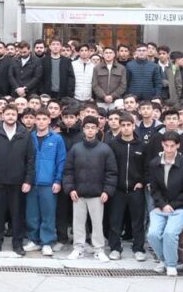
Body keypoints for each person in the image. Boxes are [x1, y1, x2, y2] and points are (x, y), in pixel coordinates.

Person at [0, 104, 35, 257]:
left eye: (13, 114)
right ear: (2, 115)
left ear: (17, 116)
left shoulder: (24, 133)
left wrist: (28, 180)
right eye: (8, 114)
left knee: (17, 215)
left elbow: (30, 159)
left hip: (18, 182)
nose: (10, 117)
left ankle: (17, 244)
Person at [63, 115, 116, 261]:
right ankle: (78, 248)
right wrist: (70, 189)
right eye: (87, 128)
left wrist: (107, 191)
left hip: (97, 194)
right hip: (78, 194)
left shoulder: (105, 149)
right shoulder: (76, 149)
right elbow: (68, 171)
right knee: (78, 223)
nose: (90, 130)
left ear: (98, 129)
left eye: (93, 128)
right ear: (83, 129)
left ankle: (99, 249)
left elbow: (111, 173)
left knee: (97, 223)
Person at [146, 131, 183, 276]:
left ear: (178, 146)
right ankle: (165, 260)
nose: (169, 149)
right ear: (162, 144)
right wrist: (163, 205)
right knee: (152, 234)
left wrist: (173, 205)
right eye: (166, 145)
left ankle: (171, 265)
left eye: (172, 146)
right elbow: (154, 189)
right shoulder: (154, 163)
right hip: (160, 206)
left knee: (170, 233)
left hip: (181, 206)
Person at [25, 108, 67, 256]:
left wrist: (58, 180)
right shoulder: (29, 137)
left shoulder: (56, 139)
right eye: (38, 119)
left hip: (48, 183)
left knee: (48, 214)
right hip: (32, 183)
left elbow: (61, 161)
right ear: (35, 121)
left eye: (44, 119)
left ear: (49, 120)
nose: (41, 122)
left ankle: (47, 242)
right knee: (32, 214)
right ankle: (34, 240)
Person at [107, 112, 148, 262]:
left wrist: (142, 181)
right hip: (117, 189)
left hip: (136, 189)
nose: (125, 128)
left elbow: (147, 167)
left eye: (128, 125)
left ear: (133, 126)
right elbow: (108, 167)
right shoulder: (112, 144)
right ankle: (115, 248)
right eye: (123, 125)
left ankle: (138, 249)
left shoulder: (142, 146)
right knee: (115, 220)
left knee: (137, 221)